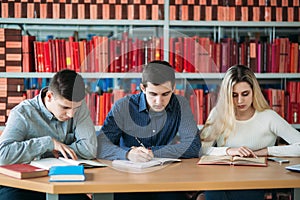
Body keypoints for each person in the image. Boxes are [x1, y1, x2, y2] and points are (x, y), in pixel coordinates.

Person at [97, 60, 201, 200]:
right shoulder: (122, 106)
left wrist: (153, 152)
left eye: (165, 94)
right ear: (143, 88)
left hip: (165, 177)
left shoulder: (180, 104)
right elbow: (101, 145)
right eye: (153, 94)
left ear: (174, 88)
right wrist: (128, 154)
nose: (159, 101)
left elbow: (193, 145)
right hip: (127, 179)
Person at [199, 65, 300, 200]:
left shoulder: (268, 117)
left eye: (245, 94)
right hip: (221, 178)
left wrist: (265, 151)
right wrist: (229, 151)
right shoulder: (218, 114)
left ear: (254, 92)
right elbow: (200, 149)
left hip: (255, 180)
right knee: (214, 192)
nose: (240, 101)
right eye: (234, 95)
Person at [0, 69, 97, 200]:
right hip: (24, 184)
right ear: (50, 96)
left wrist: (48, 152)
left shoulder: (77, 106)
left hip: (64, 181)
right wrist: (48, 143)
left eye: (76, 108)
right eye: (65, 108)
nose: (71, 114)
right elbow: (3, 155)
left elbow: (89, 149)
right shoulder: (22, 113)